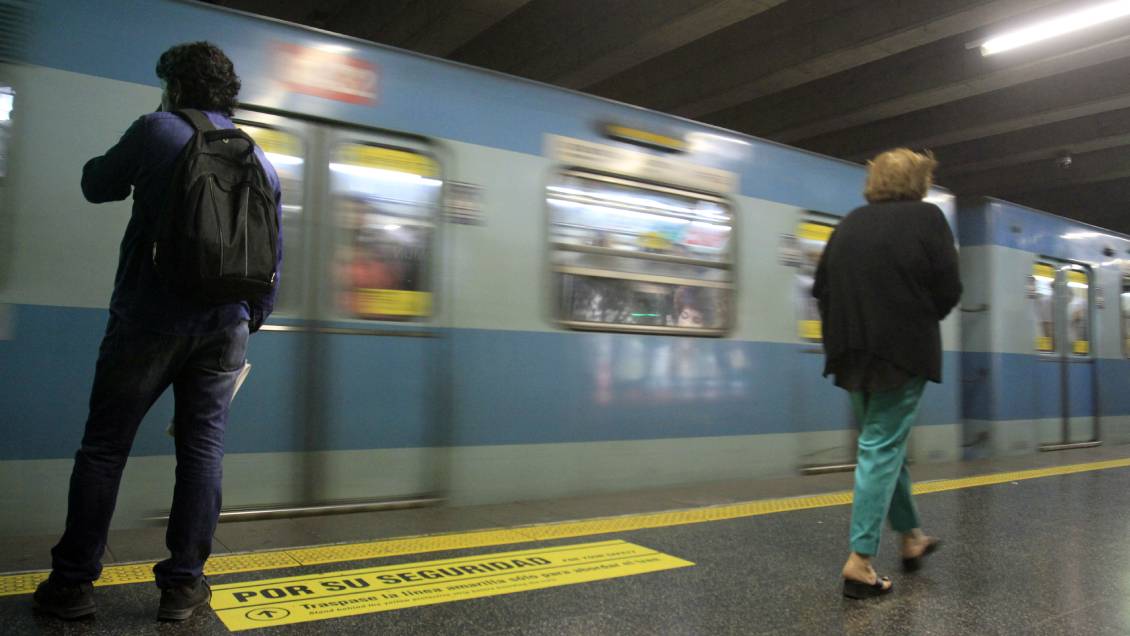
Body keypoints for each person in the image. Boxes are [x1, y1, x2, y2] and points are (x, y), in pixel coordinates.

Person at [32, 42, 282, 621]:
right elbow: (273, 258)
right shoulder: (261, 157)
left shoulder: (157, 129)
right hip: (227, 327)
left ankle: (72, 584)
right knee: (201, 453)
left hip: (147, 320)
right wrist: (246, 322)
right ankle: (182, 586)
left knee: (104, 449)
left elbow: (98, 184)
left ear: (173, 86)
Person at [812, 148, 961, 599]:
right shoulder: (928, 218)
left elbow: (821, 288)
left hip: (850, 350)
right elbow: (949, 289)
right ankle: (860, 561)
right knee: (881, 445)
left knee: (881, 442)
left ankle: (912, 537)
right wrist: (916, 317)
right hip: (902, 351)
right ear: (919, 182)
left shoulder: (849, 222)